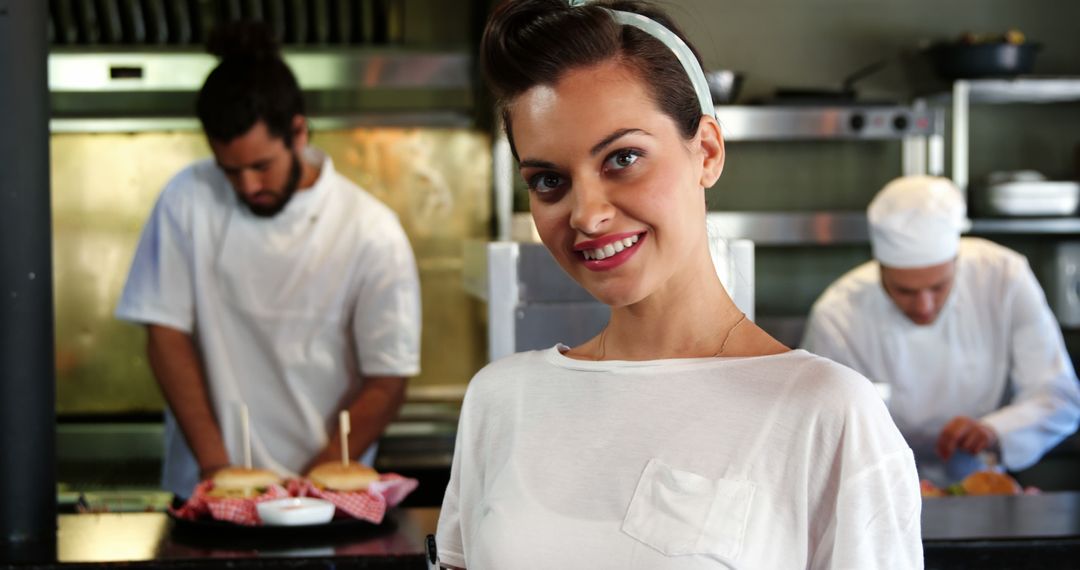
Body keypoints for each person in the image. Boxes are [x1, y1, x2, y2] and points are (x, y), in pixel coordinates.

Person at [435, 1, 922, 567]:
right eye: (548, 180)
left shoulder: (828, 414)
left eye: (623, 158)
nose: (587, 215)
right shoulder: (500, 401)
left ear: (707, 152)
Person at [115, 22, 421, 500]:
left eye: (261, 166)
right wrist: (219, 470)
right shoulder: (186, 200)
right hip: (208, 489)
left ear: (297, 132)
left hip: (325, 499)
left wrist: (309, 487)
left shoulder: (370, 232)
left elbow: (388, 379)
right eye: (230, 170)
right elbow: (165, 334)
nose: (248, 186)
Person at [803, 175, 1080, 485]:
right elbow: (820, 429)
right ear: (879, 268)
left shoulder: (1003, 277)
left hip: (980, 486)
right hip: (878, 489)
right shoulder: (837, 315)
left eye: (938, 287)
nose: (924, 305)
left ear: (956, 261)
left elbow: (1057, 395)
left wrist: (995, 429)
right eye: (904, 291)